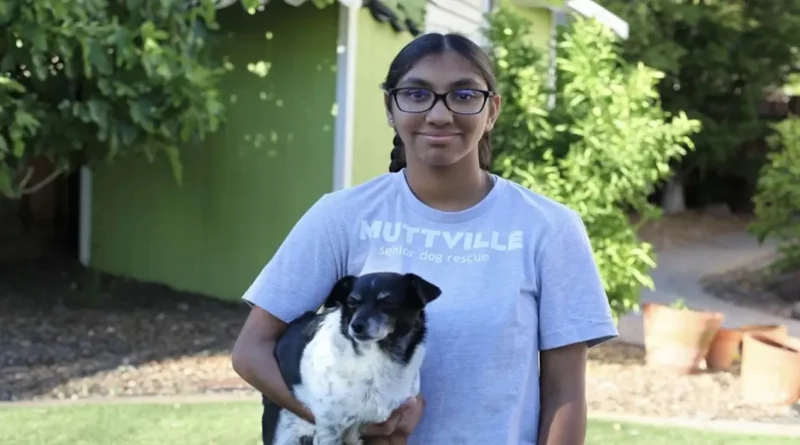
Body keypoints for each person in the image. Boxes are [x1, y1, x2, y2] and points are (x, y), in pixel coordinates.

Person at [231, 32, 618, 445]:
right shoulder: (341, 217)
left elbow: (565, 393)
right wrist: (332, 418)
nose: (439, 114)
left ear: (492, 110)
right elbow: (252, 350)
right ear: (390, 108)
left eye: (464, 95)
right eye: (417, 94)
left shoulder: (550, 228)